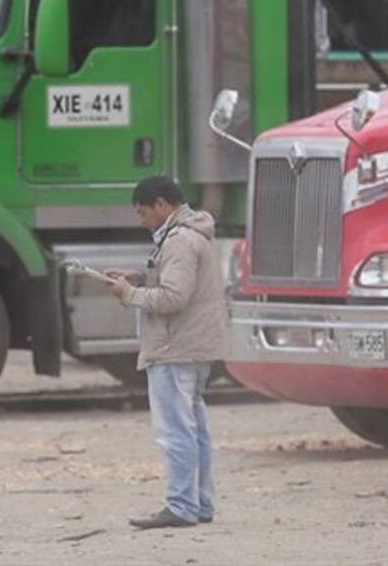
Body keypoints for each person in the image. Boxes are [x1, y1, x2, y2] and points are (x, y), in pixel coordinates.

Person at [109, 176, 227, 529]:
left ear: (162, 205)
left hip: (175, 347)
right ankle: (200, 503)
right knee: (195, 430)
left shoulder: (177, 242)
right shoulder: (193, 235)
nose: (141, 219)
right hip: (194, 346)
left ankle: (180, 506)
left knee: (176, 430)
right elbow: (174, 283)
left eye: (143, 212)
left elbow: (174, 297)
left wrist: (128, 295)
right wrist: (138, 278)